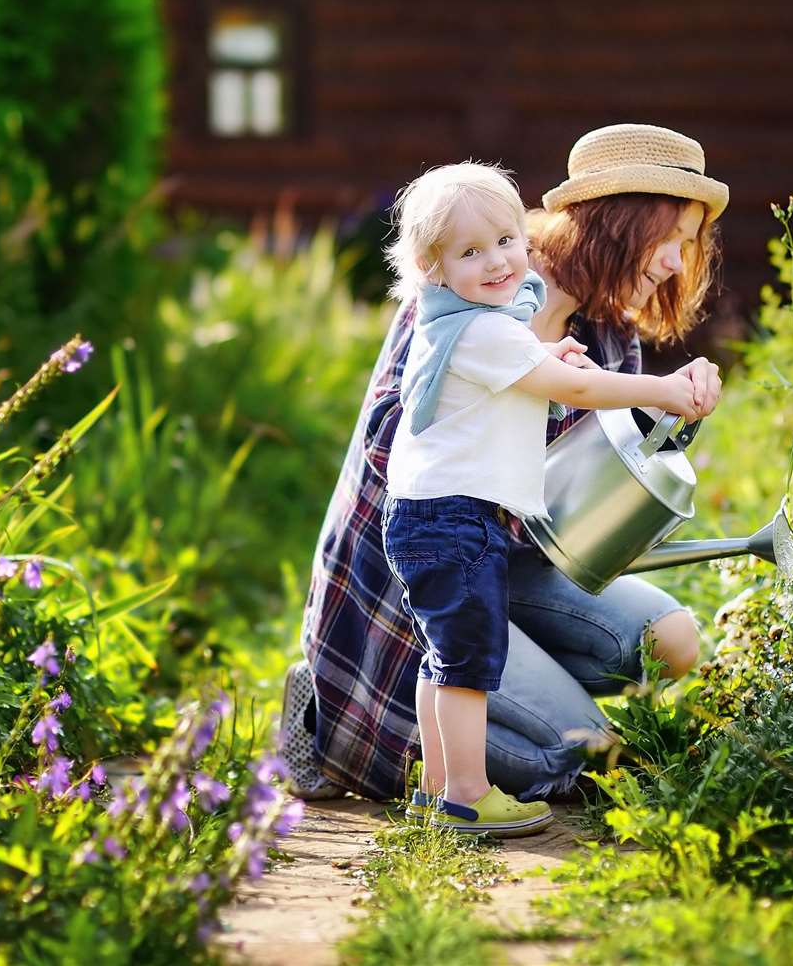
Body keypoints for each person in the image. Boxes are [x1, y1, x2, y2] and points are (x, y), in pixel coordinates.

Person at [283, 124, 728, 804]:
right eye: (669, 236)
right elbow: (388, 457)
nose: (676, 261)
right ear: (619, 223)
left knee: (669, 641)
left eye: (689, 242)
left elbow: (591, 499)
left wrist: (673, 412)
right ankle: (332, 713)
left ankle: (526, 693)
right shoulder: (468, 290)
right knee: (577, 759)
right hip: (419, 574)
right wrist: (528, 390)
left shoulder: (605, 331)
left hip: (513, 557)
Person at [380, 162, 708, 835]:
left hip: (437, 519)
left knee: (447, 659)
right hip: (454, 520)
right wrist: (662, 391)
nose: (500, 261)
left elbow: (527, 380)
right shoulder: (485, 329)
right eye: (472, 252)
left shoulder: (470, 322)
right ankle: (467, 793)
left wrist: (554, 358)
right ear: (430, 266)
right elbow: (575, 391)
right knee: (466, 663)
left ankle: (440, 788)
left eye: (506, 241)